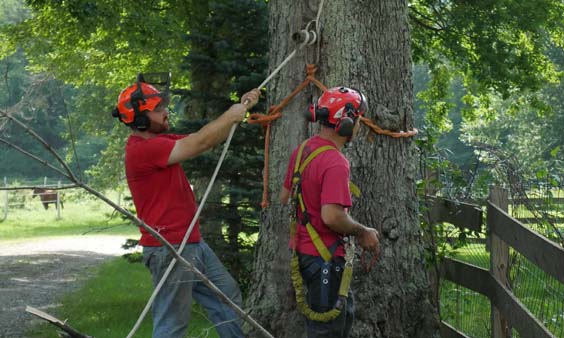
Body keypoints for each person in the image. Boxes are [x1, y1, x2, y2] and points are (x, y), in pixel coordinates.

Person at [112, 73, 260, 338]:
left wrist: (243, 108)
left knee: (226, 296)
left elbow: (205, 136)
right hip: (169, 248)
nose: (166, 112)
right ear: (141, 119)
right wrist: (232, 112)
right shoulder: (143, 150)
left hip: (190, 243)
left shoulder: (159, 142)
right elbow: (200, 142)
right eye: (158, 110)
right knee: (172, 324)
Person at [279, 86, 380, 338]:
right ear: (346, 122)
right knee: (326, 331)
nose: (359, 125)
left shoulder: (303, 150)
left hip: (304, 254)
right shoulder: (336, 162)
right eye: (358, 119)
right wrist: (361, 231)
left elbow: (285, 196)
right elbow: (331, 217)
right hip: (324, 258)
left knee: (340, 320)